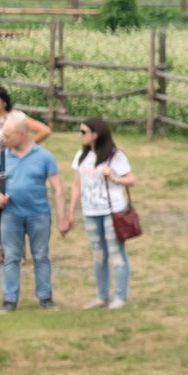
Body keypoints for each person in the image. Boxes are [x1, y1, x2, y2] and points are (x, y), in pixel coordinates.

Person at [0, 113, 59, 310]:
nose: (4, 139)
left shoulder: (44, 156)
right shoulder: (1, 157)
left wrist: (62, 216)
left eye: (7, 136)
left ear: (21, 134)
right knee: (11, 257)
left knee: (41, 256)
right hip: (11, 214)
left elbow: (58, 188)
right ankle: (9, 300)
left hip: (39, 214)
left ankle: (45, 298)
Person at [73, 121, 136, 308]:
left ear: (96, 134)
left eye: (83, 131)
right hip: (90, 211)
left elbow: (131, 179)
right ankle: (101, 296)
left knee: (116, 252)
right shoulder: (81, 155)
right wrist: (71, 211)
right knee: (98, 254)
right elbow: (76, 185)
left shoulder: (115, 156)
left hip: (112, 210)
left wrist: (114, 177)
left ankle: (120, 296)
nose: (80, 135)